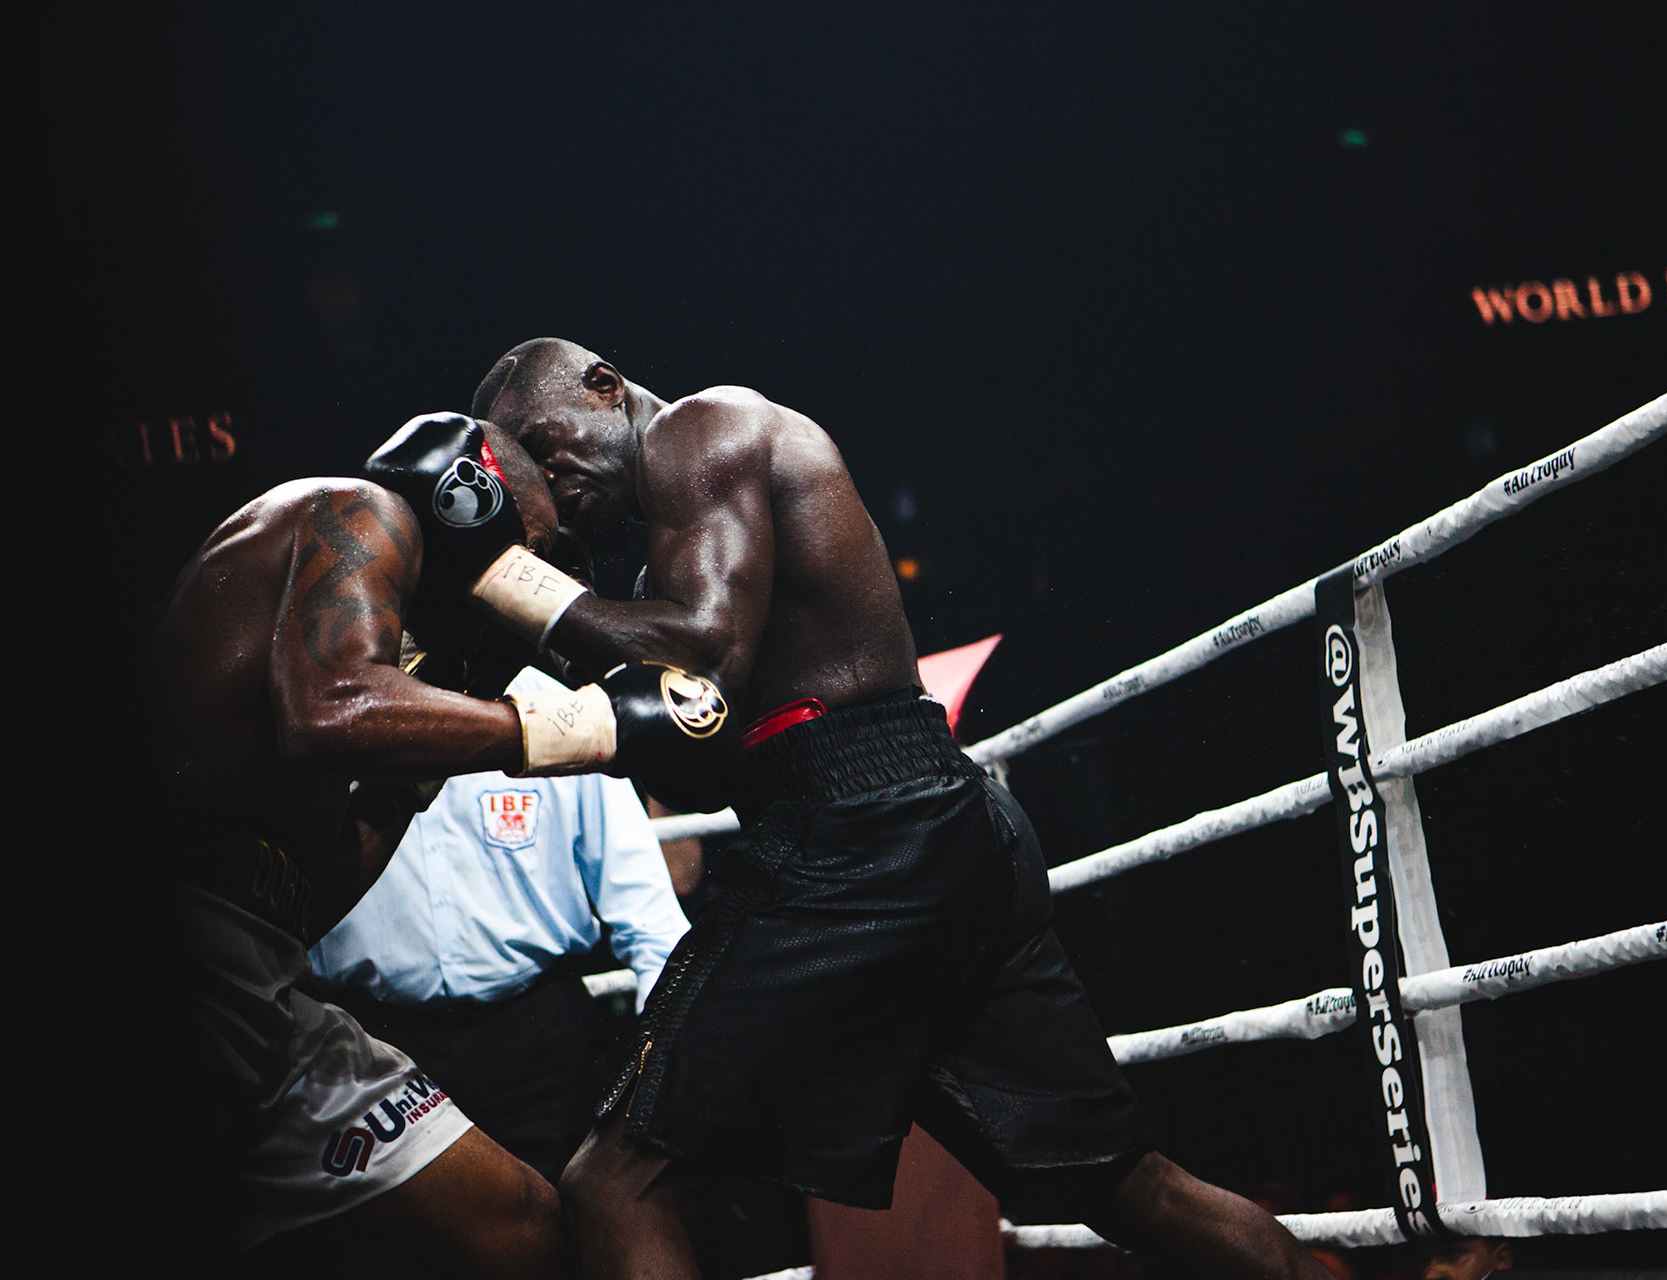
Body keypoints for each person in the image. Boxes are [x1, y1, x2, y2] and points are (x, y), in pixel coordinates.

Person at [467, 337, 1335, 1280]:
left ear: (604, 385)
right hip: (922, 830)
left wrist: (501, 576)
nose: (545, 479)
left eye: (544, 445)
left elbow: (705, 651)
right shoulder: (655, 581)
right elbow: (703, 756)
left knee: (614, 1185)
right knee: (1125, 1185)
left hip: (856, 836)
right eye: (523, 475)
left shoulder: (701, 427)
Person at [135, 411, 733, 1277]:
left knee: (521, 1224)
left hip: (266, 978)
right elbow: (328, 711)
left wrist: (414, 779)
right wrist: (581, 725)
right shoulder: (356, 512)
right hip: (169, 939)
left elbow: (311, 903)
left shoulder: (396, 672)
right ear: (475, 499)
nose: (527, 596)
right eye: (531, 556)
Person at [309, 664, 690, 1184]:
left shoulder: (560, 711)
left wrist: (661, 1060)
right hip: (369, 1039)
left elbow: (648, 913)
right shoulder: (324, 711)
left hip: (537, 1035)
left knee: (573, 1211)